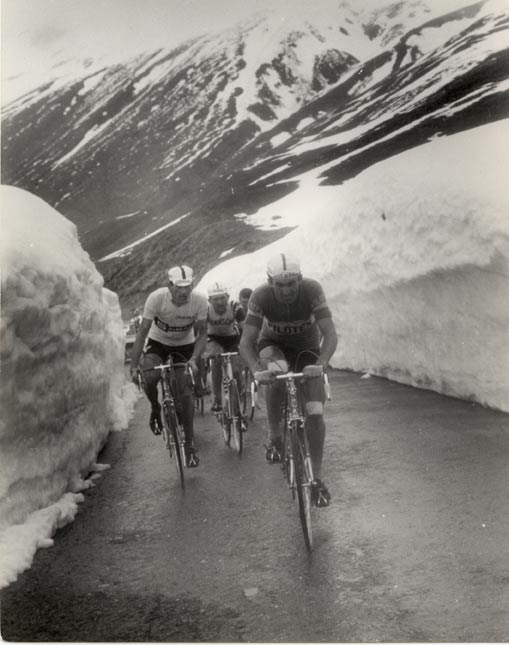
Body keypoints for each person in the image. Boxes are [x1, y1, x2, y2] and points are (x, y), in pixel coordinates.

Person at [239, 253, 338, 507]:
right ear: (270, 282)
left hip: (308, 351)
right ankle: (275, 436)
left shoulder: (312, 290)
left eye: (291, 284)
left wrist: (321, 364)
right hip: (273, 345)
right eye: (280, 285)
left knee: (315, 413)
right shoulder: (260, 296)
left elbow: (330, 334)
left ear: (300, 280)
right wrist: (255, 370)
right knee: (277, 373)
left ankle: (316, 478)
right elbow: (246, 342)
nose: (285, 291)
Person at [130, 265, 208, 467]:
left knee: (185, 392)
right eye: (179, 287)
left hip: (185, 345)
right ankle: (155, 407)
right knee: (150, 377)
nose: (184, 292)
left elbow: (202, 335)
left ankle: (190, 446)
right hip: (158, 344)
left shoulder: (199, 301)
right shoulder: (156, 298)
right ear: (169, 286)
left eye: (188, 286)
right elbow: (142, 332)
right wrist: (133, 366)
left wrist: (194, 358)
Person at [203, 282, 245, 412]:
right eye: (216, 299)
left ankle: (238, 394)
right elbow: (201, 332)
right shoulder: (206, 310)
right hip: (214, 338)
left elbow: (244, 328)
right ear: (209, 300)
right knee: (216, 360)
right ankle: (217, 398)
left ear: (227, 297)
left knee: (236, 369)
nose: (220, 302)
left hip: (232, 338)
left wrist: (245, 346)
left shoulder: (234, 306)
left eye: (222, 298)